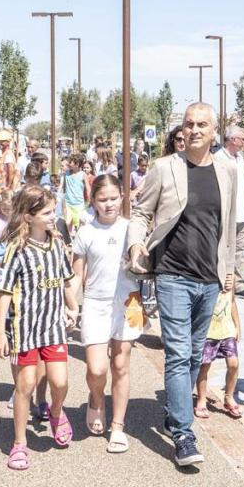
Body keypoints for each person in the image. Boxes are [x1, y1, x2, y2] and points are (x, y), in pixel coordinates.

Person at [128, 102, 237, 468]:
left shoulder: (227, 170)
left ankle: (175, 411)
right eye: (189, 124)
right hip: (173, 274)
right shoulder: (164, 168)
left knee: (193, 354)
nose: (193, 130)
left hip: (210, 278)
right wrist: (137, 242)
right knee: (177, 354)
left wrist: (232, 271)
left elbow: (232, 225)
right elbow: (142, 212)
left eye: (201, 124)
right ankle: (183, 434)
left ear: (213, 129)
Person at [0, 185, 80, 470]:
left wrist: (72, 306)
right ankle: (19, 442)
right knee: (26, 385)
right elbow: (4, 291)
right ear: (28, 217)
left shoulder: (56, 243)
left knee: (60, 381)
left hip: (53, 326)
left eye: (53, 211)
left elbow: (66, 278)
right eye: (46, 212)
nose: (53, 217)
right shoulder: (16, 249)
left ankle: (56, 412)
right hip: (24, 329)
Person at [71, 175, 143, 453]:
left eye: (114, 198)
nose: (109, 204)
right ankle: (96, 399)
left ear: (122, 197)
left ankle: (118, 426)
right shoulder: (86, 232)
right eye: (103, 199)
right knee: (97, 368)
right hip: (95, 303)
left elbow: (147, 261)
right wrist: (70, 303)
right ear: (93, 202)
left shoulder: (131, 229)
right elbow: (77, 275)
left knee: (121, 365)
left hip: (130, 302)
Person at [215, 125, 244, 299]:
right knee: (224, 249)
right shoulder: (218, 158)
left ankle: (239, 285)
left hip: (243, 214)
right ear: (232, 140)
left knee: (239, 250)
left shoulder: (239, 159)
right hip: (227, 214)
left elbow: (241, 182)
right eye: (241, 138)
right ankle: (223, 281)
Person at [194, 289, 242, 420]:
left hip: (227, 329)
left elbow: (231, 300)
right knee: (205, 365)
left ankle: (229, 396)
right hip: (208, 330)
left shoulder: (230, 275)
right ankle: (202, 399)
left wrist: (237, 325)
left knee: (234, 364)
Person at [63, 153, 88, 235]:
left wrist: (90, 199)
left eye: (71, 162)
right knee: (67, 221)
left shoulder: (83, 175)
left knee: (79, 223)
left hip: (78, 203)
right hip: (68, 202)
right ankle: (69, 238)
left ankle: (79, 238)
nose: (69, 164)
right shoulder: (67, 173)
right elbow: (64, 186)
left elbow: (88, 188)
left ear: (77, 164)